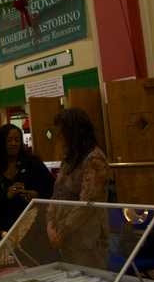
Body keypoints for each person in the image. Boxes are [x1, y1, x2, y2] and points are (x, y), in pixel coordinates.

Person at [46, 108, 110, 269]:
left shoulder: (94, 158)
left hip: (86, 237)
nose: (60, 138)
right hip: (66, 236)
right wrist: (51, 223)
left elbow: (88, 204)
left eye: (63, 133)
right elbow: (57, 192)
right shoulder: (70, 159)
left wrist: (61, 230)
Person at [0, 124, 53, 239]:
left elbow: (51, 187)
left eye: (17, 140)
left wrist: (36, 195)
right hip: (5, 229)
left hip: (34, 227)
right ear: (1, 142)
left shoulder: (33, 162)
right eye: (9, 140)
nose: (13, 143)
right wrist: (6, 195)